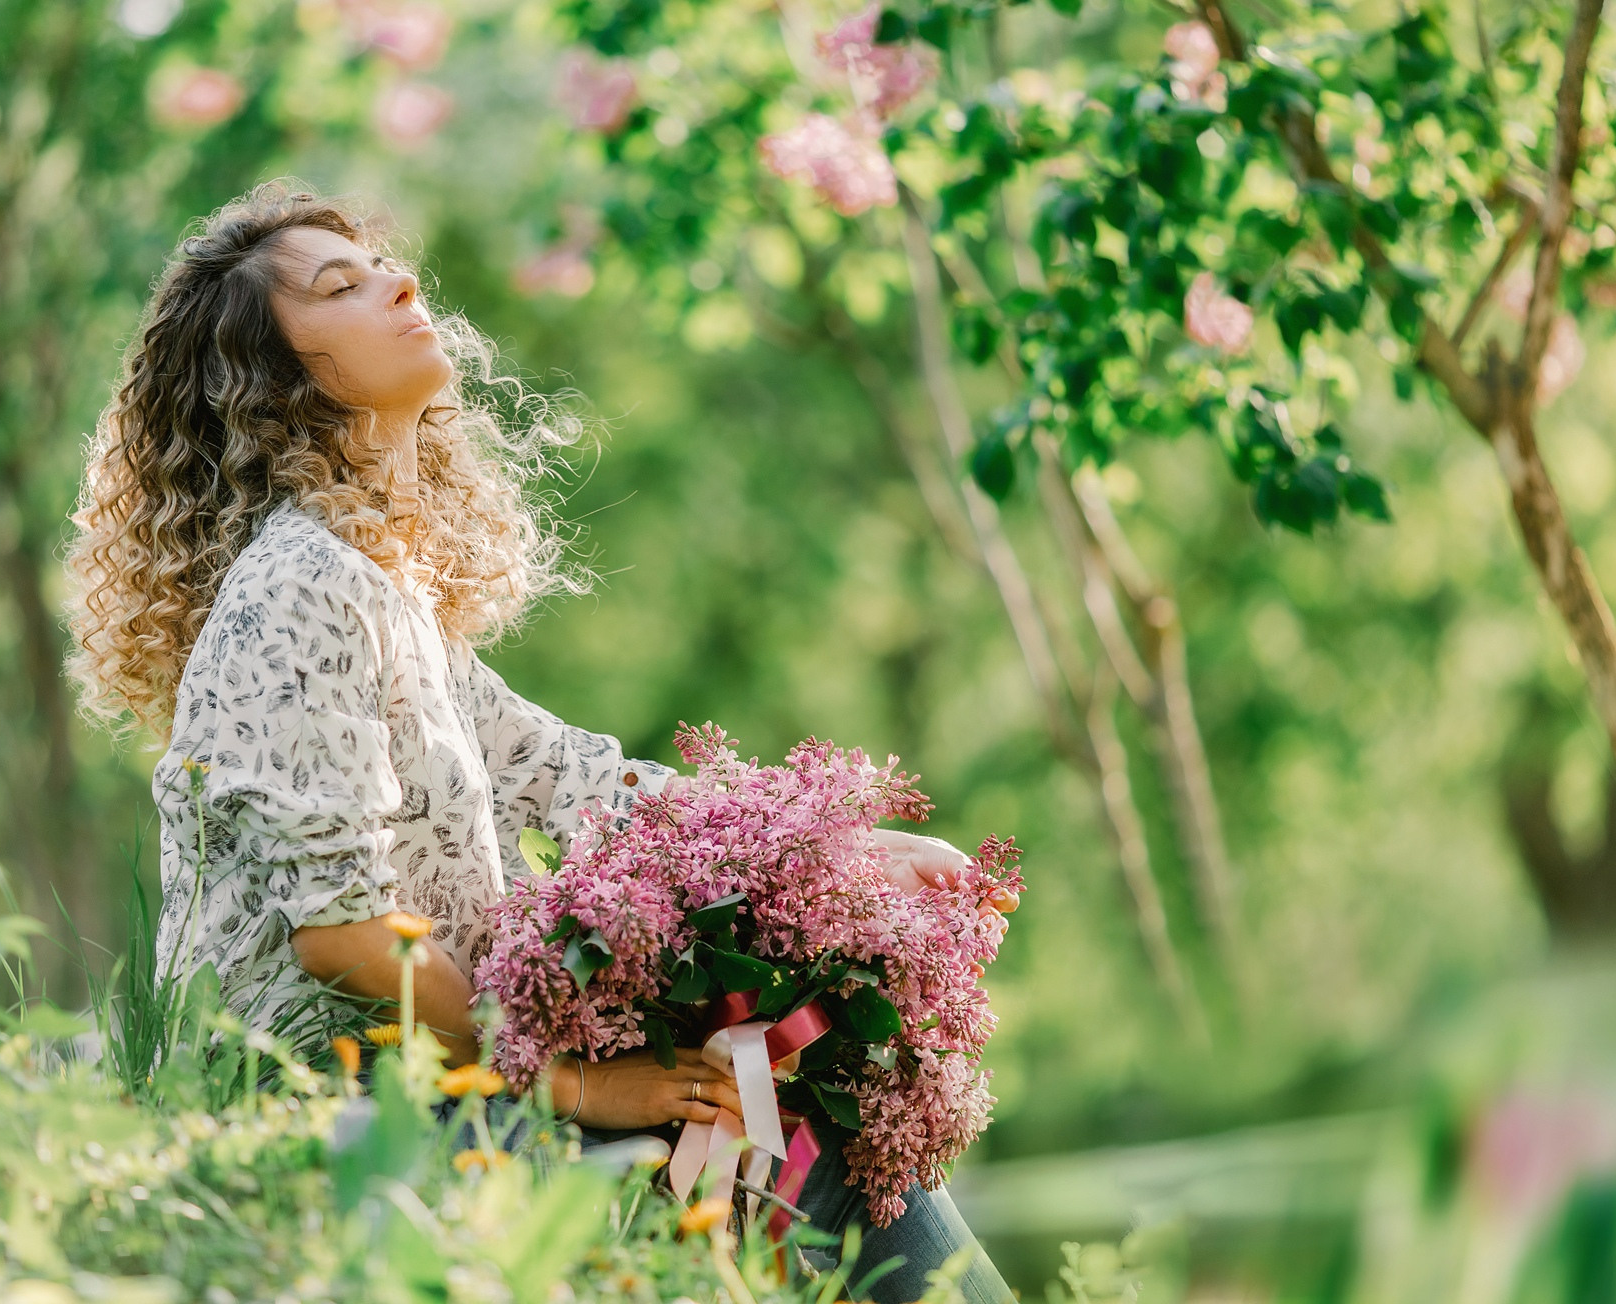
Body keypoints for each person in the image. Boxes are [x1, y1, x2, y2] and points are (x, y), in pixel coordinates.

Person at [64, 182, 1014, 1304]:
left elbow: (585, 781)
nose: (401, 283)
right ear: (279, 384)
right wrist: (578, 1082)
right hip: (339, 1125)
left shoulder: (382, 595)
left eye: (378, 266)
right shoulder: (299, 587)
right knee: (794, 1143)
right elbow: (346, 939)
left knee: (801, 1120)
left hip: (447, 1085)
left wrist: (843, 855)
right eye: (341, 286)